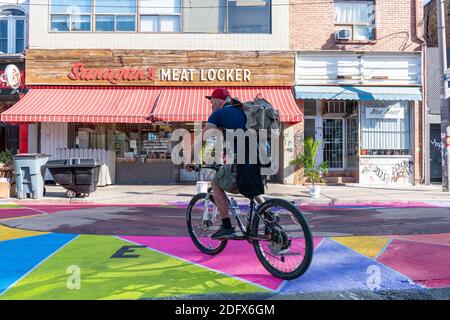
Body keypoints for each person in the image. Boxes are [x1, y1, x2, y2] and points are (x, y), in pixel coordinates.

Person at [186, 88, 247, 239]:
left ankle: (226, 227)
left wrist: (189, 160)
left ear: (219, 101)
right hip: (261, 159)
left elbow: (203, 139)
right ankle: (268, 215)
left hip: (242, 161)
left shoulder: (219, 114)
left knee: (215, 184)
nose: (211, 105)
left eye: (212, 101)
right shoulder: (242, 110)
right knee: (252, 188)